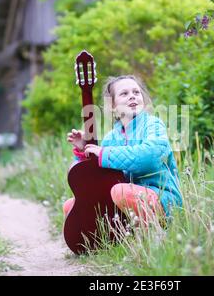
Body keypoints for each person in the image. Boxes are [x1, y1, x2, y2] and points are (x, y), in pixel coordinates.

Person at [64, 75, 182, 225]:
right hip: (124, 200)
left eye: (136, 92)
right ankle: (101, 243)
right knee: (71, 206)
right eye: (124, 94)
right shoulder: (111, 138)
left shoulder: (153, 125)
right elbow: (92, 177)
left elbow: (151, 156)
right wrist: (84, 149)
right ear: (112, 106)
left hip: (162, 197)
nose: (132, 96)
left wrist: (104, 154)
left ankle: (153, 237)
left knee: (120, 192)